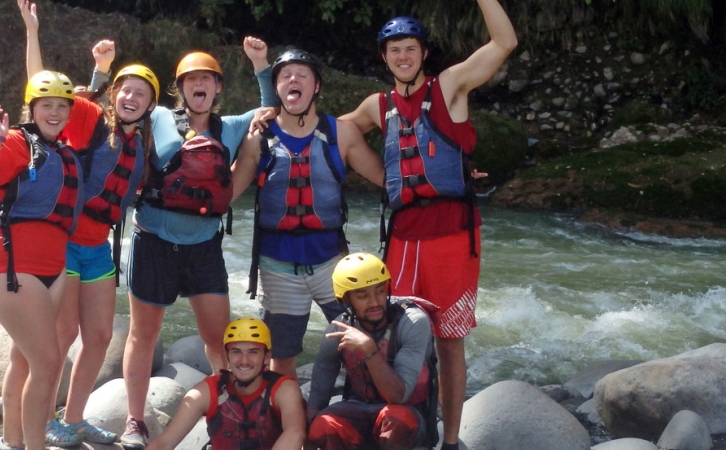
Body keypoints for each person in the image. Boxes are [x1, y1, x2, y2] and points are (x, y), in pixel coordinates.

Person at [338, 5, 517, 450]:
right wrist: (385, 176)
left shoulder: (450, 86)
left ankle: (451, 440)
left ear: (423, 53)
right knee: (397, 335)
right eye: (394, 50)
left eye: (410, 49)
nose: (402, 56)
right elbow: (339, 131)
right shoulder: (378, 105)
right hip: (402, 236)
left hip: (452, 236)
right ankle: (404, 426)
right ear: (385, 58)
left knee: (448, 341)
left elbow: (504, 43)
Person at [88, 38, 278, 450]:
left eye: (206, 79)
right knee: (144, 336)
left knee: (218, 340)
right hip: (154, 241)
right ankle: (135, 421)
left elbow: (271, 109)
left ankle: (233, 411)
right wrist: (101, 72)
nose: (199, 84)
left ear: (217, 87)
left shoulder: (229, 127)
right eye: (191, 79)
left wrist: (261, 64)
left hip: (203, 246)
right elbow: (105, 112)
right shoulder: (154, 116)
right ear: (180, 87)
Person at [18, 0, 158, 445]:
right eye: (125, 89)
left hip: (100, 247)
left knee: (98, 337)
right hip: (65, 243)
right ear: (114, 94)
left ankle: (73, 417)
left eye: (141, 92)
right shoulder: (91, 118)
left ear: (152, 103)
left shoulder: (145, 146)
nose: (131, 97)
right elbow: (41, 91)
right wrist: (32, 32)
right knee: (62, 337)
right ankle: (42, 423)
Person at [231, 49, 385, 381]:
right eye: (285, 75)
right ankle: (289, 420)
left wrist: (450, 178)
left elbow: (388, 180)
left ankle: (363, 409)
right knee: (283, 355)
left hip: (332, 263)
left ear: (316, 86)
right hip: (277, 266)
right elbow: (226, 192)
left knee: (361, 344)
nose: (293, 80)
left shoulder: (340, 133)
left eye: (303, 74)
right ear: (277, 89)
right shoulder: (258, 138)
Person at [0, 70, 82, 450]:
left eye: (62, 106)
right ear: (32, 108)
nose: (55, 112)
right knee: (48, 364)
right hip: (14, 268)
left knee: (27, 361)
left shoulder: (64, 151)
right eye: (47, 105)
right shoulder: (14, 142)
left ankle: (12, 442)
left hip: (54, 269)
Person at [306, 252, 437, 450]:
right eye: (362, 296)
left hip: (409, 415)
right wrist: (308, 440)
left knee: (394, 420)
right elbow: (318, 393)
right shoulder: (338, 329)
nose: (375, 302)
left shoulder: (413, 322)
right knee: (322, 425)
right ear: (346, 300)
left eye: (379, 291)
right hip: (359, 409)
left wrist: (369, 349)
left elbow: (397, 397)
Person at [145, 317, 306, 450]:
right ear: (227, 355)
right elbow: (166, 442)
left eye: (253, 352)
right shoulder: (207, 391)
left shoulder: (283, 389)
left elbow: (295, 432)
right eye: (236, 352)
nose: (244, 361)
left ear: (266, 357)